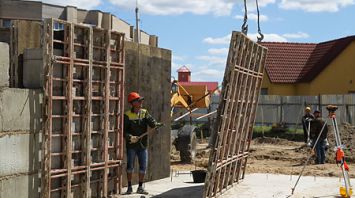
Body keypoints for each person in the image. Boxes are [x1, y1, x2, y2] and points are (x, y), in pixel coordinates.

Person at [124, 92, 162, 195]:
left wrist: (156, 124)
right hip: (131, 145)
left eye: (141, 100)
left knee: (143, 167)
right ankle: (129, 187)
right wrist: (130, 137)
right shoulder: (127, 115)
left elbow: (151, 122)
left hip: (142, 145)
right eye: (138, 100)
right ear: (133, 103)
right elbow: (124, 131)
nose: (141, 102)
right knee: (130, 167)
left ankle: (140, 187)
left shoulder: (144, 113)